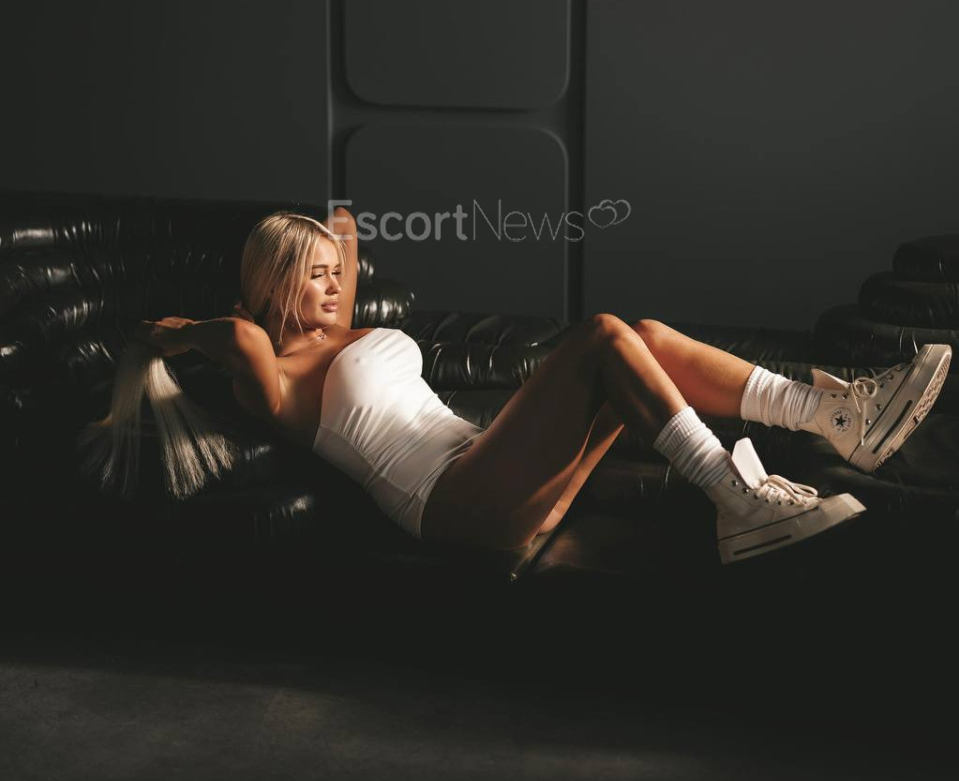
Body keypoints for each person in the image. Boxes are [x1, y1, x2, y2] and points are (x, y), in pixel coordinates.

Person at [82, 207, 952, 566]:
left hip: (488, 469)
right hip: (451, 502)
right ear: (273, 286)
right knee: (602, 334)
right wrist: (174, 332)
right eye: (311, 276)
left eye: (335, 274)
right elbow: (236, 333)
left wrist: (320, 236)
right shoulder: (272, 377)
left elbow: (341, 226)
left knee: (645, 338)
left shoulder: (340, 328)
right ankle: (737, 499)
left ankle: (834, 414)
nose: (335, 283)